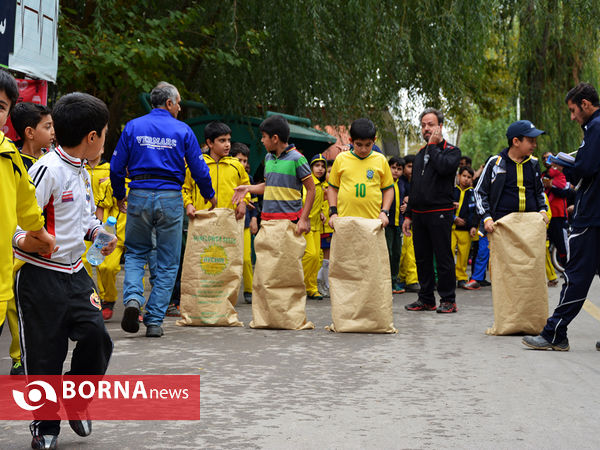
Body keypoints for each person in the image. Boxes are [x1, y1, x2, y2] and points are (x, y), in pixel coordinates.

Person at [13, 92, 116, 449]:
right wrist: (32, 242)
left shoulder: (82, 171)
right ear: (91, 138)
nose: (105, 138)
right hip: (39, 277)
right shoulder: (47, 170)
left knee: (97, 336)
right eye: (104, 133)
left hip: (76, 273)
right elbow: (16, 226)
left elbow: (85, 218)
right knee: (45, 353)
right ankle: (45, 424)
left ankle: (76, 398)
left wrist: (98, 232)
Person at [110, 81, 216, 338]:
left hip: (139, 194)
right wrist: (209, 195)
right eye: (178, 103)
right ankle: (155, 320)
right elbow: (200, 168)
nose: (179, 107)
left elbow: (115, 167)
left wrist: (119, 195)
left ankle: (133, 299)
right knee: (168, 262)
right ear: (169, 103)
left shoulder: (133, 126)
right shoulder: (183, 130)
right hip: (170, 197)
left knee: (135, 253)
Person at [522, 82, 600, 351]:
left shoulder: (595, 128)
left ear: (585, 105)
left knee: (575, 276)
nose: (572, 116)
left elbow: (587, 169)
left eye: (573, 110)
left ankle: (555, 333)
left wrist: (566, 163)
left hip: (590, 218)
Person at [0, 69, 55, 340]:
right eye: (48, 127)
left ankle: (19, 355)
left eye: (0, 107)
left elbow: (27, 207)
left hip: (8, 265)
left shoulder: (10, 156)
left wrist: (41, 235)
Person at [403, 108, 461, 313]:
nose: (426, 128)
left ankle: (448, 299)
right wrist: (408, 215)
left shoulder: (451, 151)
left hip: (441, 212)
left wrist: (433, 146)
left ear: (440, 127)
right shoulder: (419, 154)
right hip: (419, 215)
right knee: (422, 258)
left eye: (431, 124)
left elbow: (445, 168)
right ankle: (426, 298)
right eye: (423, 125)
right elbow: (415, 186)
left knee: (443, 257)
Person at [232, 114, 315, 235]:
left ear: (275, 138)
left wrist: (304, 218)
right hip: (268, 221)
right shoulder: (268, 158)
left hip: (290, 222)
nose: (262, 140)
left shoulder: (298, 159)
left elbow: (311, 189)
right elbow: (268, 186)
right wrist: (247, 188)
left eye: (264, 136)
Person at [327, 118, 394, 227]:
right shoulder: (341, 159)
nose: (363, 149)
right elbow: (332, 188)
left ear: (374, 140)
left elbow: (388, 189)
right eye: (359, 144)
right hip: (345, 221)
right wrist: (333, 213)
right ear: (350, 141)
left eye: (368, 145)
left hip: (373, 223)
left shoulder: (380, 160)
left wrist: (384, 212)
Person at [230, 142, 259, 303]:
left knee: (247, 259)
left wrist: (254, 218)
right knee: (230, 259)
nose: (243, 164)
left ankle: (249, 290)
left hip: (245, 223)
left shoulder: (249, 179)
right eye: (239, 160)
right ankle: (229, 291)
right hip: (228, 222)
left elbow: (254, 202)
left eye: (245, 161)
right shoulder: (226, 174)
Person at [302, 154, 327, 300]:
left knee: (317, 258)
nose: (321, 169)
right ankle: (299, 285)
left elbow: (320, 203)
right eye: (317, 165)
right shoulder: (308, 183)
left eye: (323, 166)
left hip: (317, 225)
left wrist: (323, 213)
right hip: (307, 225)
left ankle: (311, 288)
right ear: (311, 168)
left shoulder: (321, 185)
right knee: (310, 255)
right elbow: (304, 201)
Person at [452, 166, 478, 288]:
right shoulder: (451, 190)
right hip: (451, 228)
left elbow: (475, 211)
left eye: (469, 177)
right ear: (458, 176)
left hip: (465, 229)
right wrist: (453, 218)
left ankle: (461, 277)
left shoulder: (473, 193)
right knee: (449, 252)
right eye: (464, 176)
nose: (466, 179)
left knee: (463, 254)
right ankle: (449, 277)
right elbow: (444, 206)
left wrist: (472, 226)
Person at [397, 154, 419, 293]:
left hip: (413, 220)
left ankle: (411, 279)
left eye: (414, 166)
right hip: (400, 221)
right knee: (403, 252)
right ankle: (404, 278)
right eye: (409, 166)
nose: (412, 169)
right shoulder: (400, 182)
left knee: (410, 251)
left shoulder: (417, 182)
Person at [10, 102, 54, 169]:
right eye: (48, 126)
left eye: (53, 126)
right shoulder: (14, 164)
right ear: (30, 132)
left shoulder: (52, 159)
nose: (53, 132)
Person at [386, 156, 406, 293]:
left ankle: (394, 281)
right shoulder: (384, 183)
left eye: (399, 169)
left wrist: (406, 205)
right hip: (387, 223)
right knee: (387, 253)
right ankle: (386, 283)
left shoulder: (402, 184)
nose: (396, 171)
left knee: (397, 253)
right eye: (393, 168)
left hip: (398, 223)